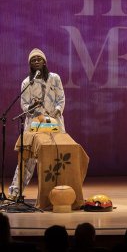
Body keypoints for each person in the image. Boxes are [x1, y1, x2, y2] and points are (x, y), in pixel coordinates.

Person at [8, 48, 66, 200]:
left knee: (56, 157)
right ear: (30, 65)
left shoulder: (54, 78)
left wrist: (57, 111)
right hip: (35, 123)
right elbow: (24, 104)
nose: (36, 62)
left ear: (44, 62)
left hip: (53, 122)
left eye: (39, 59)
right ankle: (15, 192)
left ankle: (57, 194)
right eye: (33, 60)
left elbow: (61, 98)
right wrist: (33, 110)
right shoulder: (27, 82)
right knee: (28, 158)